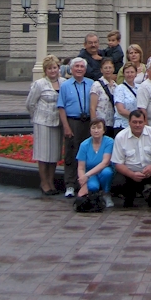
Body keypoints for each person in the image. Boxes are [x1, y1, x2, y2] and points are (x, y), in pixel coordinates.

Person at [111, 109, 151, 208]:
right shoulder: (120, 137)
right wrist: (132, 174)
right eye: (134, 122)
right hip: (130, 174)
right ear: (129, 122)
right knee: (117, 181)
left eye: (140, 122)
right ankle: (129, 199)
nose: (137, 125)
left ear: (145, 122)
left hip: (150, 171)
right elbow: (117, 164)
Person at [26, 54, 65, 195]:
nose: (53, 71)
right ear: (45, 70)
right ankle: (44, 183)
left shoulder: (63, 82)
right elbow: (30, 103)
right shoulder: (39, 84)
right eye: (49, 68)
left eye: (54, 68)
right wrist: (37, 116)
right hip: (42, 122)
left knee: (54, 154)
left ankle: (51, 180)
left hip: (57, 122)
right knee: (43, 154)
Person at [57, 57, 94, 198]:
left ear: (85, 69)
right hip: (72, 122)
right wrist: (66, 127)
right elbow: (61, 107)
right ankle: (70, 185)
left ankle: (84, 184)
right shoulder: (65, 85)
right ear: (71, 69)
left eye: (81, 66)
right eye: (76, 66)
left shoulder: (91, 84)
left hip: (88, 122)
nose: (79, 69)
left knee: (87, 154)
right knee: (71, 154)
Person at [76, 119, 115, 209]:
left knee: (107, 173)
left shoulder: (109, 142)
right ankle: (96, 196)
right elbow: (81, 168)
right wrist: (83, 184)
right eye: (93, 128)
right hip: (90, 173)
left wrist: (87, 175)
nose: (96, 130)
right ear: (90, 130)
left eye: (99, 128)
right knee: (93, 187)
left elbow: (105, 162)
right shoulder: (84, 145)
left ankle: (106, 194)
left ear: (104, 130)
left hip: (103, 170)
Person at [90, 58, 116, 136]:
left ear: (113, 69)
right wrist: (94, 125)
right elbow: (92, 107)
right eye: (105, 68)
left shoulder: (116, 86)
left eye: (110, 68)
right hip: (100, 122)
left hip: (112, 122)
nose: (108, 70)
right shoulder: (96, 85)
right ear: (101, 70)